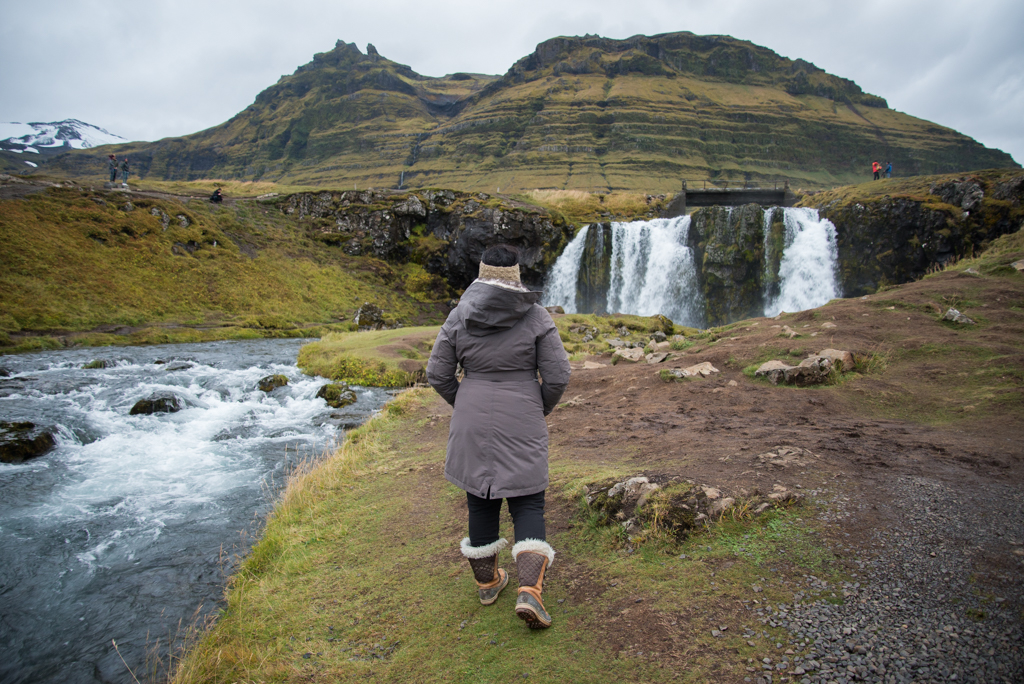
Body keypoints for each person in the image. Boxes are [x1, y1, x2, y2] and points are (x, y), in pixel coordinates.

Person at [427, 245, 571, 629]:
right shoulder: (536, 316)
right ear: (516, 275)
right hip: (522, 411)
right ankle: (530, 593)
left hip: (471, 416)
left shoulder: (459, 315)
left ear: (480, 272)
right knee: (527, 503)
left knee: (480, 498)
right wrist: (537, 406)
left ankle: (488, 584)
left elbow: (437, 373)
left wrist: (466, 402)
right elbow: (558, 376)